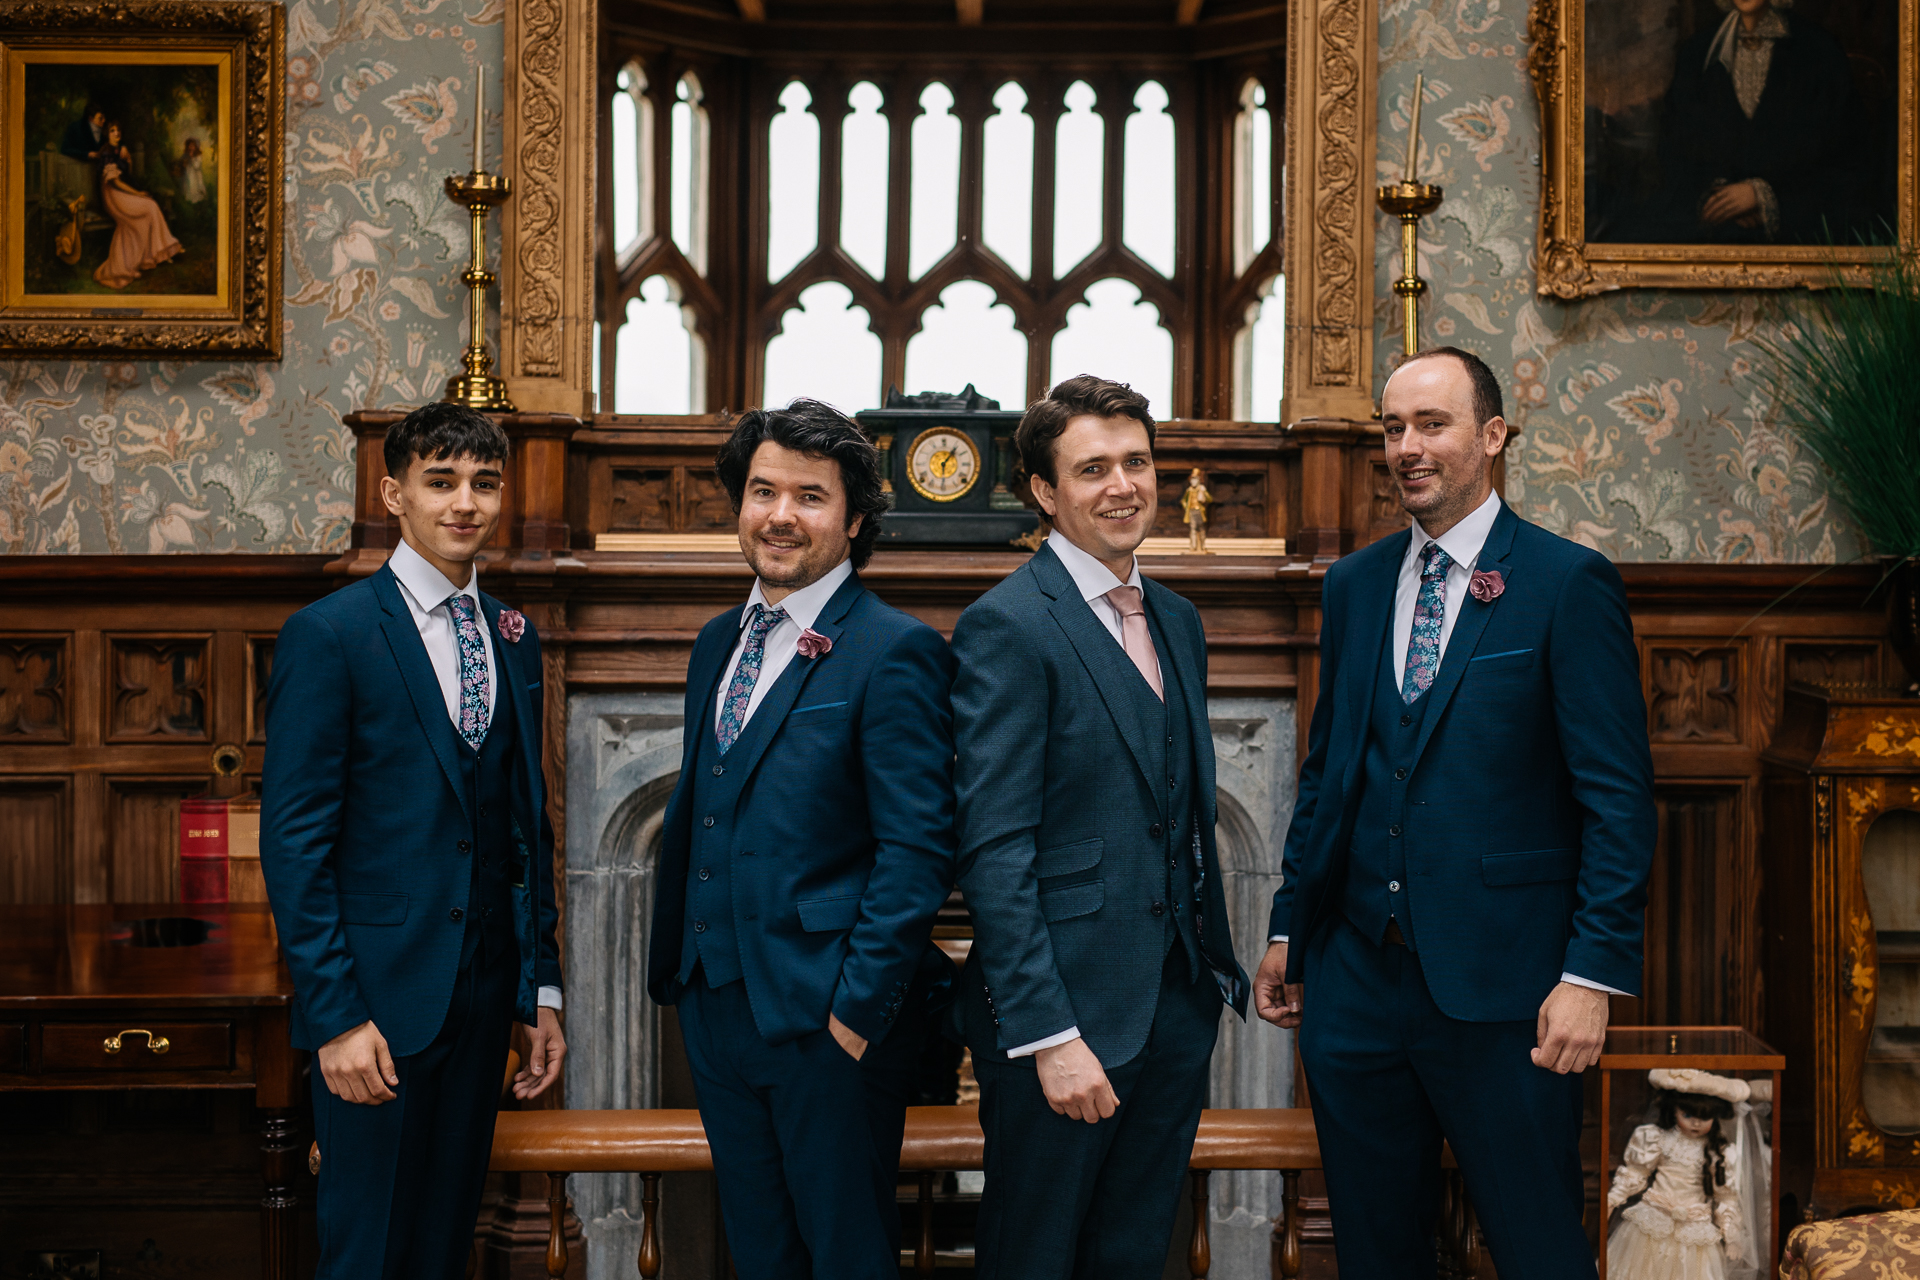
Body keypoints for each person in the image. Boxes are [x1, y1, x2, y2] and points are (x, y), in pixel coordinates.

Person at [1253, 346, 1655, 1278]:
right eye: (1392, 428)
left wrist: (1590, 974)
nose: (1406, 447)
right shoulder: (1355, 585)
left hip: (1508, 990)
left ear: (1493, 436)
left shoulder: (1565, 583)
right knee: (1377, 1253)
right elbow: (1329, 775)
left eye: (1431, 425)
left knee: (1539, 1250)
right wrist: (1290, 926)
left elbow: (1618, 801)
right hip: (1355, 987)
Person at [644, 399, 958, 1279]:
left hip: (828, 1021)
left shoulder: (894, 650)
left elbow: (918, 850)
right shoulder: (718, 642)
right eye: (762, 492)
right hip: (716, 1007)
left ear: (854, 520)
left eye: (810, 497)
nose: (781, 516)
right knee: (760, 1254)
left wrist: (855, 1013)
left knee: (847, 1257)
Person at [951, 374, 1249, 1280]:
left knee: (1132, 1255)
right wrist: (1049, 1036)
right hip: (1063, 1025)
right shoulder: (1005, 625)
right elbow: (995, 851)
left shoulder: (1179, 620)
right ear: (1046, 492)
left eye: (1136, 462)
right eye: (1092, 469)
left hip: (1171, 1009)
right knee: (1034, 1259)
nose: (1122, 486)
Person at [261, 402, 566, 1280]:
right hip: (375, 1008)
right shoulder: (333, 635)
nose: (465, 502)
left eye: (483, 482)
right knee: (367, 1253)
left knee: (440, 1247)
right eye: (441, 482)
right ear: (394, 494)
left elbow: (521, 826)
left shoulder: (513, 634)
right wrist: (336, 1017)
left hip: (478, 1003)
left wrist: (537, 987)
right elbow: (295, 842)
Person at [92, 123, 182, 289]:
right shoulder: (106, 153)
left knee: (148, 210)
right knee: (150, 206)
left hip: (122, 192)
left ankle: (150, 256)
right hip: (113, 195)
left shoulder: (120, 150)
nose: (116, 132)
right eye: (112, 130)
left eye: (118, 129)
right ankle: (163, 248)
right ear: (107, 134)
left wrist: (129, 161)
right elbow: (116, 182)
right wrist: (137, 194)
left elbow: (127, 176)